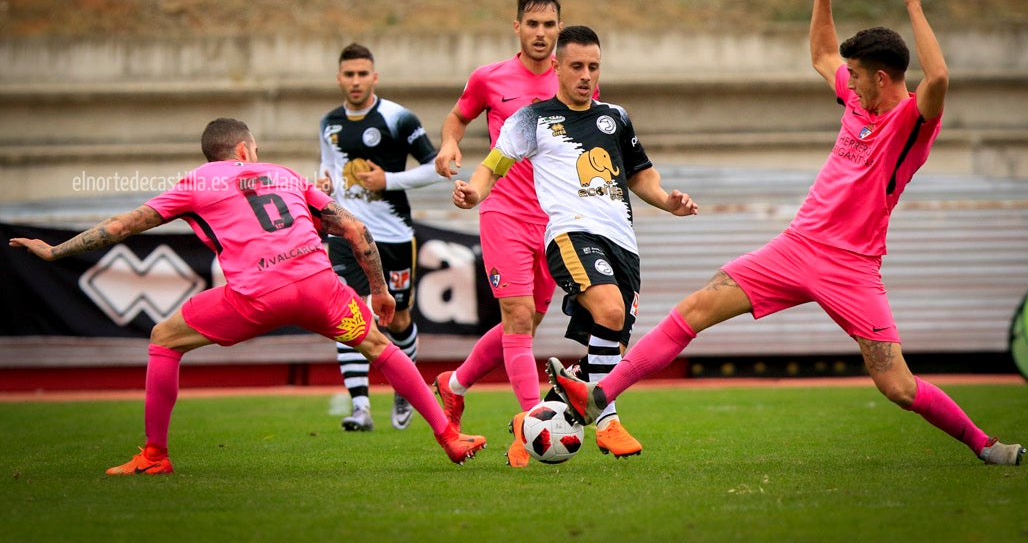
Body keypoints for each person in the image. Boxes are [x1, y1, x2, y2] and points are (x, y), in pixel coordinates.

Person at [547, 0, 1026, 466]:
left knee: (897, 386)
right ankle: (598, 396)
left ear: (884, 78)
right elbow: (822, 52)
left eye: (860, 76)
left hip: (851, 269)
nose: (851, 84)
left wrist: (913, 3)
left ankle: (985, 445)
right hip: (794, 250)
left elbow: (941, 76)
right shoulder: (858, 103)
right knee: (693, 311)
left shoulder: (912, 121)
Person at [9, 118, 486, 474]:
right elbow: (355, 228)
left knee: (163, 339)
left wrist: (56, 252)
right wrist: (380, 290)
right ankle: (448, 436)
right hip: (321, 289)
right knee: (380, 348)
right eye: (254, 147)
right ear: (243, 148)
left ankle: (154, 455)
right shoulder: (283, 173)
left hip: (257, 296)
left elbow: (123, 225)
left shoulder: (197, 181)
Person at [453, 25, 699, 461]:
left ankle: (540, 413)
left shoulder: (616, 117)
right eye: (577, 66)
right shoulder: (533, 119)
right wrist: (474, 191)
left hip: (623, 243)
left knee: (611, 349)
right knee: (608, 311)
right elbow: (491, 166)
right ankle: (609, 421)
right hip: (570, 232)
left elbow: (640, 175)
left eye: (593, 67)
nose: (586, 75)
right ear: (557, 67)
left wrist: (667, 201)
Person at [316, 43, 446, 433]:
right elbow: (328, 164)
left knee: (399, 317)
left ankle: (403, 388)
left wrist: (387, 180)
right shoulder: (328, 123)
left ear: (374, 77)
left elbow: (434, 167)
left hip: (393, 236)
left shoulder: (398, 118)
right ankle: (361, 408)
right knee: (348, 314)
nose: (355, 81)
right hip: (345, 231)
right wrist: (323, 182)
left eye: (362, 74)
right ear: (339, 78)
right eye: (349, 74)